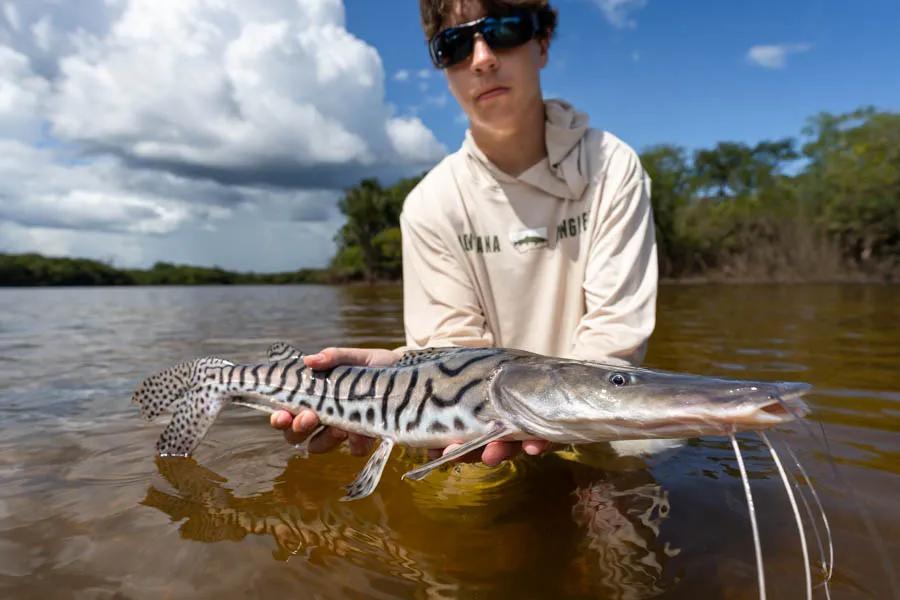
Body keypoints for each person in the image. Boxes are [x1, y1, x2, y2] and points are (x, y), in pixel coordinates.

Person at [270, 0, 657, 466]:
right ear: (443, 64)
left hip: (596, 414)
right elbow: (453, 350)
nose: (482, 58)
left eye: (505, 30)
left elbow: (615, 341)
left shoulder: (611, 167)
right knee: (453, 509)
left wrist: (561, 427)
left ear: (542, 42)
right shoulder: (430, 204)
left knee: (624, 516)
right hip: (473, 430)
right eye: (454, 43)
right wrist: (400, 371)